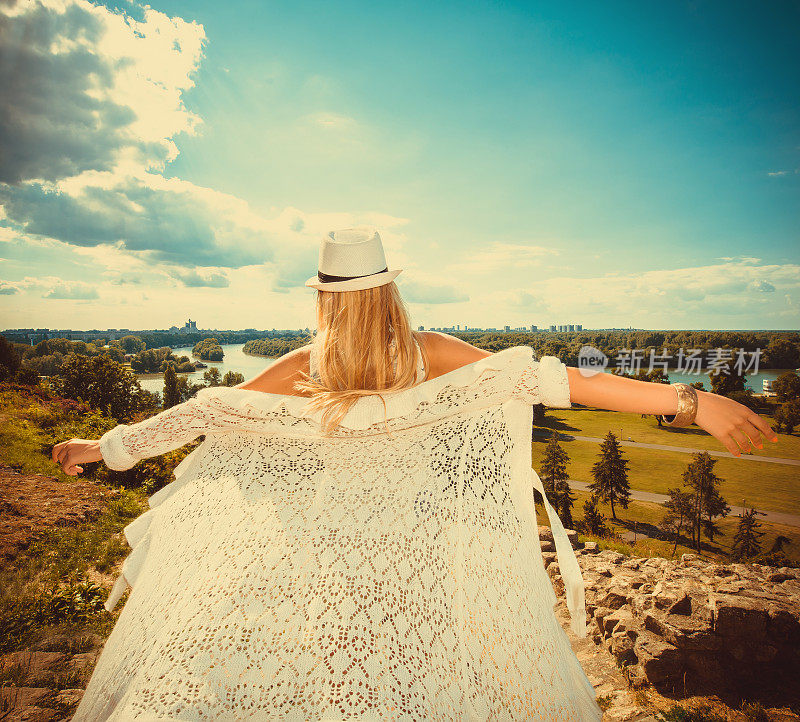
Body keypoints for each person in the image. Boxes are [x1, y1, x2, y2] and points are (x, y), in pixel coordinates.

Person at [54, 228, 778, 721]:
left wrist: (107, 446)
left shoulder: (307, 366)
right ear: (386, 290)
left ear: (325, 296)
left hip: (323, 561)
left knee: (337, 683)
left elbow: (201, 415)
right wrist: (689, 400)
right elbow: (559, 382)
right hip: (422, 558)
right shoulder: (430, 351)